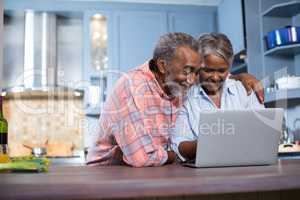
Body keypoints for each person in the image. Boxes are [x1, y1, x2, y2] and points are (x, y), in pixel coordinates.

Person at [87, 32, 264, 167]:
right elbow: (142, 159)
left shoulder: (176, 84)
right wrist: (174, 155)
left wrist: (237, 77)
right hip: (110, 173)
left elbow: (214, 75)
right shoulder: (133, 88)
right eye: (188, 71)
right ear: (163, 66)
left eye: (196, 72)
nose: (193, 79)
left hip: (154, 170)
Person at [171, 33, 265, 162]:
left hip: (246, 166)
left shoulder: (245, 90)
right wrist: (207, 144)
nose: (215, 77)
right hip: (202, 174)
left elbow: (263, 133)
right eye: (208, 70)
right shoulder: (185, 97)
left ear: (229, 67)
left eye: (221, 71)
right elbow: (178, 144)